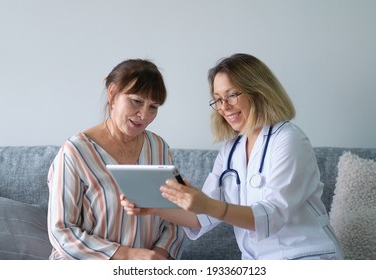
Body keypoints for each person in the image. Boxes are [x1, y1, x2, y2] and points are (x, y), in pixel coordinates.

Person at [122, 53, 344, 260]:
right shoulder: (231, 150)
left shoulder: (289, 139)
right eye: (218, 99)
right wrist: (154, 208)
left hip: (307, 256)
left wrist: (207, 205)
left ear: (259, 91)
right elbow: (201, 217)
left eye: (232, 95)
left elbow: (272, 216)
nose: (224, 107)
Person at [47, 59, 185, 260]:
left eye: (153, 107)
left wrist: (159, 256)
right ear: (112, 94)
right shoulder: (75, 151)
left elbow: (176, 216)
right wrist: (127, 255)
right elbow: (61, 231)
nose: (144, 115)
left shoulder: (159, 148)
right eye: (136, 101)